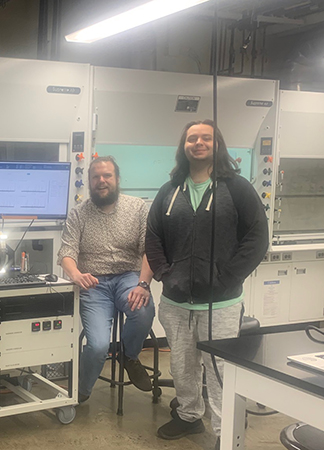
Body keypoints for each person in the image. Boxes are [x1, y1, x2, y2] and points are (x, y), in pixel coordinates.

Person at [146, 120, 267, 445]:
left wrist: (227, 277)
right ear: (183, 146)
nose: (198, 143)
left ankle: (224, 433)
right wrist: (164, 274)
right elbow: (153, 236)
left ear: (217, 145)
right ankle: (188, 416)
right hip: (175, 302)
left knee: (219, 371)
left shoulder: (237, 188)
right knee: (183, 367)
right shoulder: (170, 190)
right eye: (192, 138)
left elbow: (257, 238)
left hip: (222, 303)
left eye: (206, 138)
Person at [57, 156, 156, 404]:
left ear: (117, 179)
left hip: (129, 276)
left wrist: (143, 284)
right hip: (94, 283)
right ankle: (80, 393)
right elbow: (66, 253)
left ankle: (129, 356)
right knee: (99, 345)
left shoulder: (138, 208)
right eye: (96, 177)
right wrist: (77, 275)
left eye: (107, 176)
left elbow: (149, 250)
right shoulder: (78, 214)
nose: (101, 181)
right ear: (89, 182)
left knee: (142, 310)